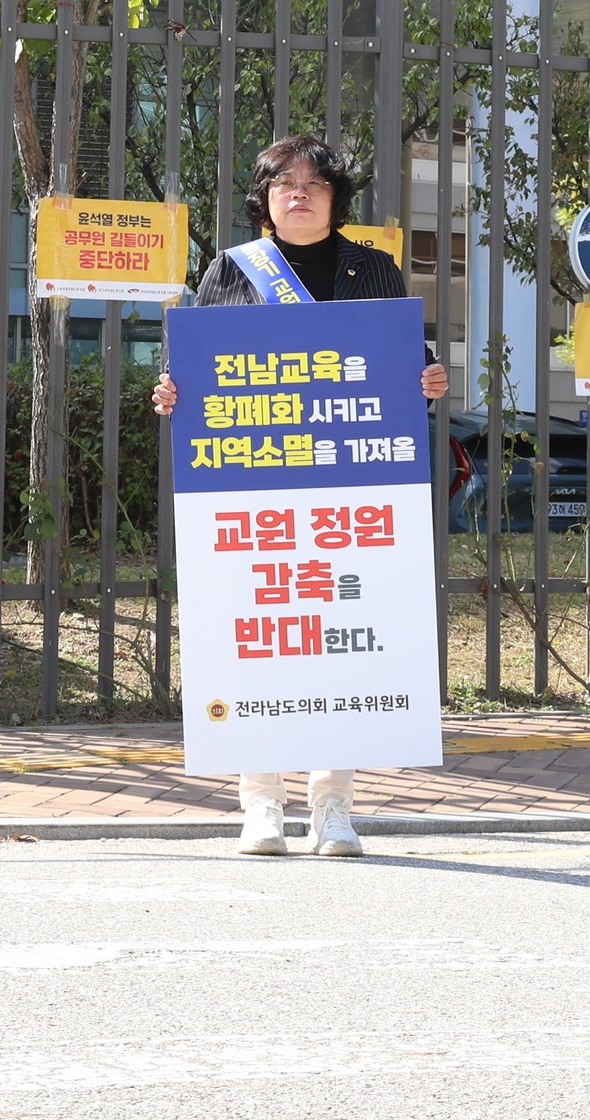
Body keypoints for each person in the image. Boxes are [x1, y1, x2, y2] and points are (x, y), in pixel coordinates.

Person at [153, 133, 447, 860]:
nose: (301, 193)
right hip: (256, 488)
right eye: (285, 182)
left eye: (315, 182)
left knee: (340, 635)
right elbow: (189, 368)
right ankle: (261, 807)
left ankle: (334, 808)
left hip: (350, 486)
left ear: (336, 198)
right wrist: (169, 392)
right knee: (260, 637)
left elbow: (409, 366)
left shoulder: (373, 269)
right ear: (265, 198)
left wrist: (429, 383)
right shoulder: (232, 268)